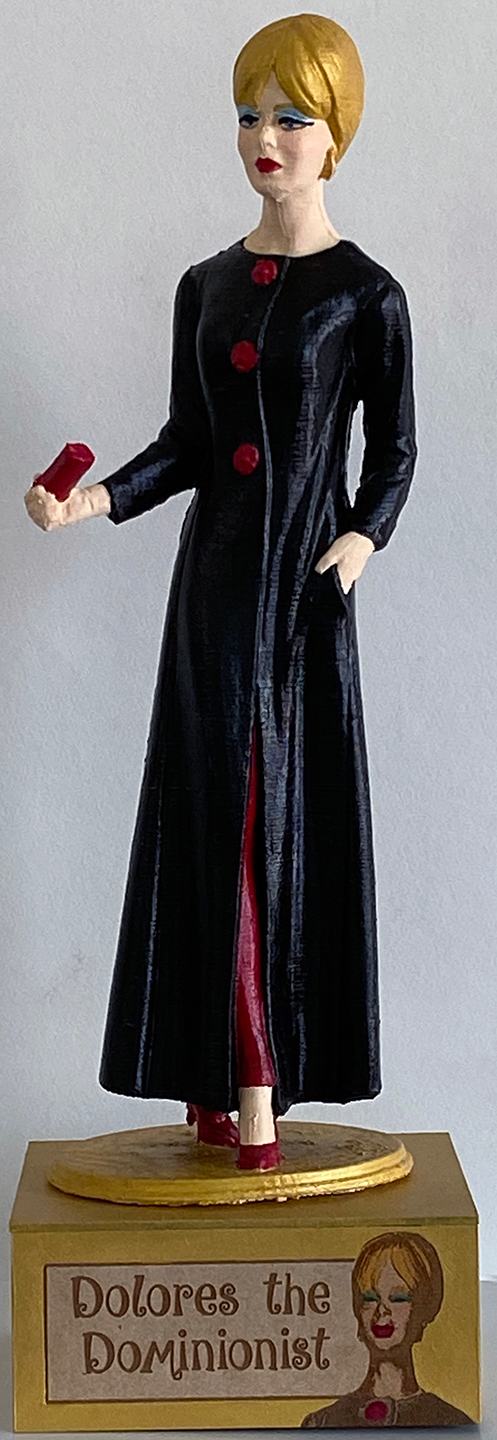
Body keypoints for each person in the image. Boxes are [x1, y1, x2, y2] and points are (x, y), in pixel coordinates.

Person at [24, 14, 418, 1170]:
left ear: (334, 133)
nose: (264, 138)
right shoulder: (204, 286)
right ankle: (214, 1076)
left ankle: (258, 1083)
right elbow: (186, 443)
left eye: (290, 116)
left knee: (271, 818)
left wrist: (361, 539)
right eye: (249, 115)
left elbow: (394, 452)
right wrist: (92, 502)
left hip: (299, 602)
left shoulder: (366, 295)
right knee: (207, 814)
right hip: (208, 598)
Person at [301, 1231, 472, 1426]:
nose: (382, 1310)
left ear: (424, 1310)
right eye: (370, 1298)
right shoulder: (323, 1422)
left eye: (398, 1298)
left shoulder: (450, 1421)